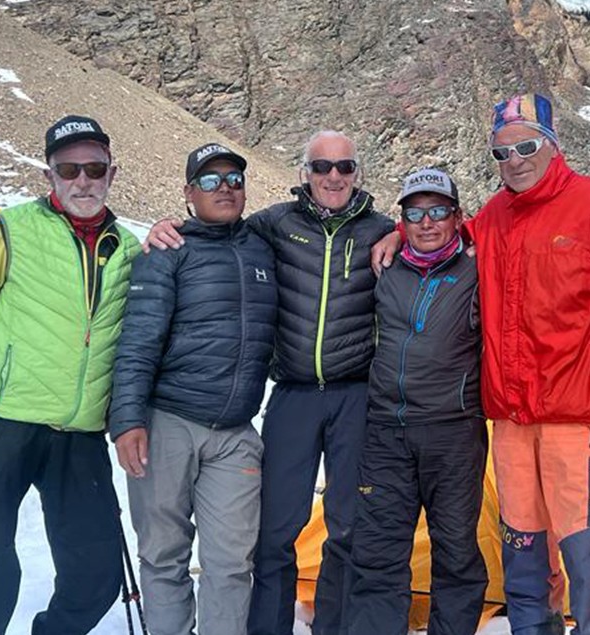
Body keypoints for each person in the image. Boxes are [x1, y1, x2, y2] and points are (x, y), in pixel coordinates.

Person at [374, 93, 590, 635]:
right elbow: (446, 238)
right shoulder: (496, 216)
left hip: (581, 419)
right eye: (501, 153)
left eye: (526, 146)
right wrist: (399, 230)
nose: (515, 161)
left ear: (553, 145)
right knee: (524, 556)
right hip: (511, 421)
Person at [145, 130, 395, 635]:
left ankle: (332, 627)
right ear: (304, 173)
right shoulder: (273, 224)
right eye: (322, 167)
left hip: (354, 396)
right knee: (275, 530)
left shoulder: (381, 229)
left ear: (357, 173)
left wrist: (401, 235)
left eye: (344, 167)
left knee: (347, 526)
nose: (333, 177)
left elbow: (438, 234)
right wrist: (165, 227)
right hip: (293, 395)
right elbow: (217, 227)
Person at [0, 115, 140, 635]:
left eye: (94, 168)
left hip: (79, 434)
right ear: (51, 177)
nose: (82, 180)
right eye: (69, 169)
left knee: (96, 574)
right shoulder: (11, 229)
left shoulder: (130, 250)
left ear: (112, 175)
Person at [108, 142, 278, 635]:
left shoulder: (262, 246)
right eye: (209, 180)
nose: (223, 188)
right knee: (164, 555)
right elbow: (138, 341)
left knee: (232, 562)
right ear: (188, 193)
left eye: (233, 180)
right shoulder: (167, 251)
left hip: (235, 431)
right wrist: (128, 421)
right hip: (168, 424)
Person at [347, 168, 488, 635]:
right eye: (414, 213)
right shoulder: (385, 267)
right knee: (378, 550)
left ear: (458, 217)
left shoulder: (478, 267)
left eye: (438, 211)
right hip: (386, 430)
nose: (427, 223)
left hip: (453, 431)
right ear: (401, 220)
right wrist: (390, 235)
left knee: (455, 550)